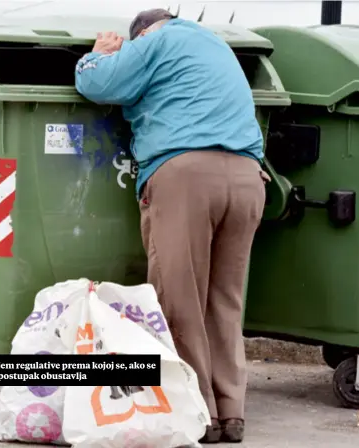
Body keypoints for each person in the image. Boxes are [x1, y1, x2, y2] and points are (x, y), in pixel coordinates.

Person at [74, 9, 269, 444]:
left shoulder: (156, 41)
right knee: (225, 300)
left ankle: (196, 410)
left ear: (142, 31)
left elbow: (97, 83)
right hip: (247, 179)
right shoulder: (219, 46)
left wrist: (96, 55)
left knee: (179, 298)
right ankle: (230, 412)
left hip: (187, 176)